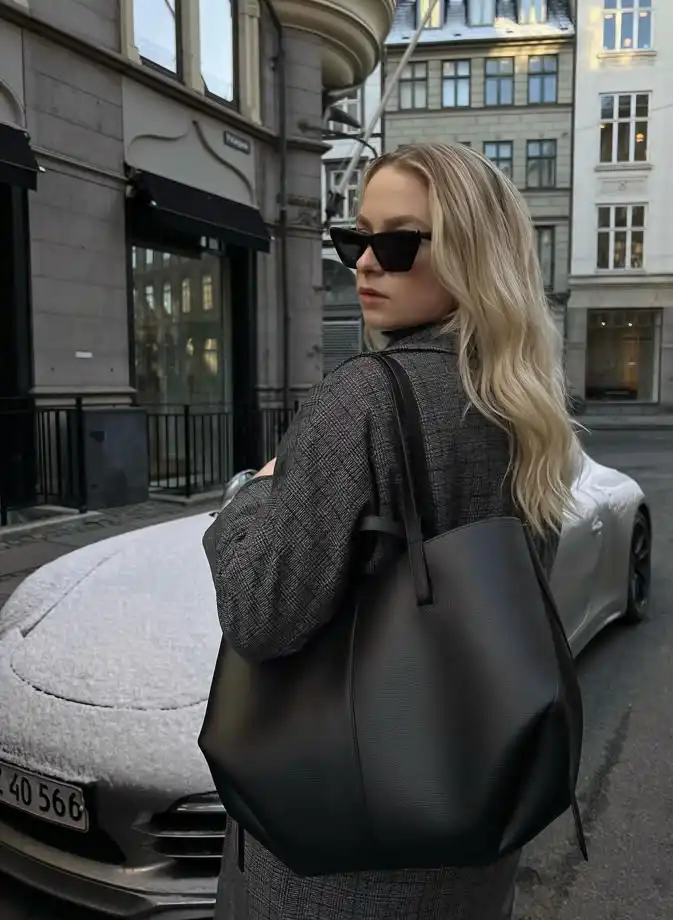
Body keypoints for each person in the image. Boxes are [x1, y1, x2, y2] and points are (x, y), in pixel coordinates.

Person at [203, 142, 579, 920]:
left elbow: (261, 613)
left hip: (342, 855)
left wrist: (248, 497)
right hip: (473, 821)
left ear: (474, 252)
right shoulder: (521, 405)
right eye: (355, 239)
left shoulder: (363, 398)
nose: (367, 263)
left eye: (400, 243)